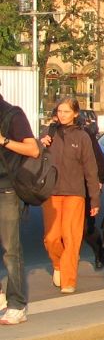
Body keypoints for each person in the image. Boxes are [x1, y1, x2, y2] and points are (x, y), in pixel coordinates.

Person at [39, 97, 101, 294]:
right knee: (51, 238)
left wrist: (94, 198)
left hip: (75, 192)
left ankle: (69, 280)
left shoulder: (82, 137)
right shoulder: (48, 133)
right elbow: (34, 157)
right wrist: (40, 145)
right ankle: (58, 264)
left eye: (66, 112)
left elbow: (91, 170)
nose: (62, 115)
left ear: (75, 113)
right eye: (59, 111)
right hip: (51, 192)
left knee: (71, 236)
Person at [0, 90, 41, 325]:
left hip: (7, 188)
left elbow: (33, 149)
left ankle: (17, 305)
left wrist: (3, 140)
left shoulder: (12, 114)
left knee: (10, 249)